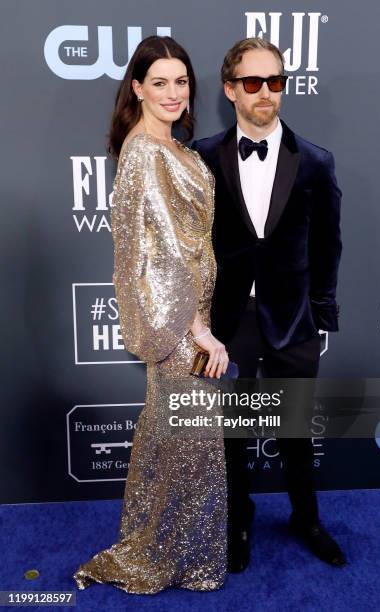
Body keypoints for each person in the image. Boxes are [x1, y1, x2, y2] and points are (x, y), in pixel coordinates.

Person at [73, 35, 229, 594]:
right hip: (181, 327)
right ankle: (171, 556)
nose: (172, 92)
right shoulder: (144, 152)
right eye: (158, 82)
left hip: (190, 318)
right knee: (188, 441)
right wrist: (199, 332)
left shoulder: (171, 147)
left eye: (181, 81)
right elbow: (159, 255)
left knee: (177, 441)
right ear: (136, 88)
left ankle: (174, 551)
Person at [193, 38, 346, 572]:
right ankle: (239, 518)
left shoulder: (315, 163)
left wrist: (322, 318)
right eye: (253, 82)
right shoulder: (202, 158)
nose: (266, 93)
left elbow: (328, 247)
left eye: (276, 81)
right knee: (233, 432)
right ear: (230, 89)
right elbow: (190, 246)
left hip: (295, 320)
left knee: (297, 430)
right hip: (227, 322)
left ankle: (306, 518)